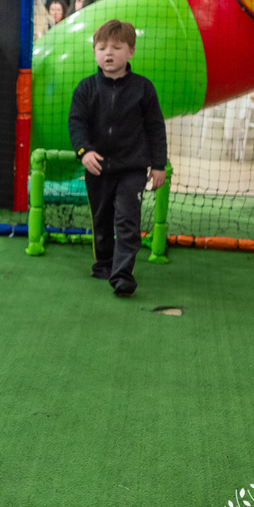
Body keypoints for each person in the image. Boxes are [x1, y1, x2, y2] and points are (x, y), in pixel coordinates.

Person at [68, 19, 168, 298]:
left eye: (116, 47)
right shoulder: (86, 88)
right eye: (101, 48)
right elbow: (76, 124)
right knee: (101, 218)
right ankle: (104, 263)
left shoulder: (143, 89)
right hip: (97, 168)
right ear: (94, 52)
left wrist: (158, 164)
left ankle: (122, 274)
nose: (108, 53)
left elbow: (156, 127)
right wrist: (84, 152)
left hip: (131, 168)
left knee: (127, 219)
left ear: (131, 52)